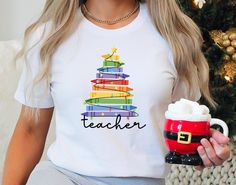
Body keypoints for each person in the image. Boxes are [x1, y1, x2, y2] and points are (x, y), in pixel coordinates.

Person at [2, 0, 231, 185]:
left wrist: (203, 149)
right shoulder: (48, 37)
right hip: (63, 176)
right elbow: (30, 130)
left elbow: (184, 122)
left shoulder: (176, 38)